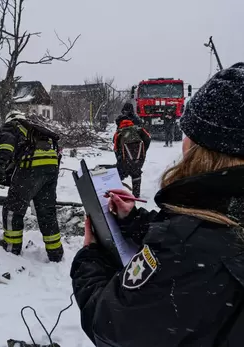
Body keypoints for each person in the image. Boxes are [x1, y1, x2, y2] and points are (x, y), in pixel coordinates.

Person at [70, 62, 244, 347]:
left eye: (189, 131)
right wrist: (134, 219)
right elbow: (208, 228)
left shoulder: (188, 249)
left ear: (199, 146)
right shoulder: (224, 221)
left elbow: (112, 326)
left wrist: (90, 258)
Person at [0, 110, 63, 262]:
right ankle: (55, 253)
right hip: (51, 166)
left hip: (31, 166)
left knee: (13, 209)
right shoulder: (33, 130)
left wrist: (0, 164)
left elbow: (7, 143)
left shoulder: (11, 126)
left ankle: (12, 248)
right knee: (47, 212)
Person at [113, 116, 151, 197]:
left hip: (125, 160)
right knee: (136, 173)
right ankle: (136, 195)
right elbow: (148, 138)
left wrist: (121, 160)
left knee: (117, 175)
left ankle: (117, 194)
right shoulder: (139, 130)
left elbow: (116, 149)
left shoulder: (119, 133)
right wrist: (143, 152)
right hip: (138, 158)